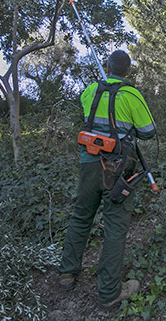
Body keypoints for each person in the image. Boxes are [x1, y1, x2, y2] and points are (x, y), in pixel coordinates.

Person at [57, 50, 156, 310]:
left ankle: (67, 273)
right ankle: (110, 292)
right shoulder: (131, 94)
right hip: (118, 169)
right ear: (129, 71)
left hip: (89, 164)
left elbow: (90, 117)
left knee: (81, 216)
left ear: (107, 67)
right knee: (115, 227)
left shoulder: (90, 91)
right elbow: (148, 132)